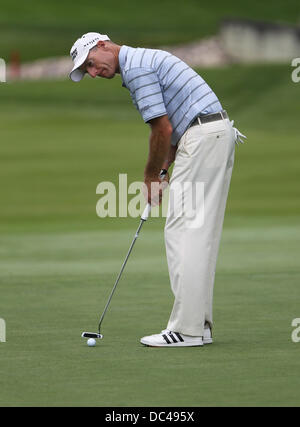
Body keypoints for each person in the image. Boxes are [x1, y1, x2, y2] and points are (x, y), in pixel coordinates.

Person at [69, 32, 246, 347]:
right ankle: (199, 325)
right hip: (212, 133)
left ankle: (187, 330)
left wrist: (150, 176)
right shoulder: (143, 60)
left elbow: (161, 128)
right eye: (88, 72)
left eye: (92, 64)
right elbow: (175, 127)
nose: (94, 73)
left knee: (182, 231)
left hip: (204, 136)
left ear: (102, 46)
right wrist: (165, 169)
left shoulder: (136, 68)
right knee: (198, 234)